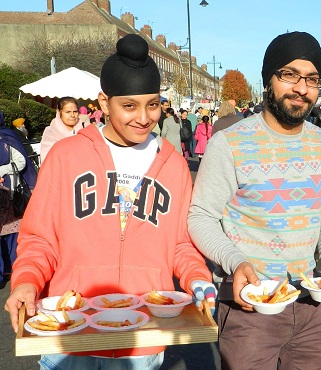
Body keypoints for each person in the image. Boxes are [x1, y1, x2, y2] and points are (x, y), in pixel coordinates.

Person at [4, 34, 216, 369]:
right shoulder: (65, 156)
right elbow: (40, 239)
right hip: (68, 332)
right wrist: (27, 282)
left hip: (143, 335)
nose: (144, 117)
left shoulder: (173, 164)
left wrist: (198, 279)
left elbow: (180, 244)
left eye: (153, 104)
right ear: (104, 103)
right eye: (129, 106)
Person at [188, 31, 321, 370]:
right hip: (250, 312)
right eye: (288, 74)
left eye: (311, 79)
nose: (301, 88)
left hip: (312, 313)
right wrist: (236, 262)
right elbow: (201, 216)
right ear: (268, 81)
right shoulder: (230, 143)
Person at [0, 112, 38, 289]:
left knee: (12, 229)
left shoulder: (7, 136)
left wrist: (1, 171)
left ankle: (12, 267)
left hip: (9, 189)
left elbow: (20, 161)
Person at [40, 96, 82, 163]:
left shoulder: (85, 130)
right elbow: (47, 161)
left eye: (75, 111)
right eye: (68, 112)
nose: (72, 115)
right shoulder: (51, 133)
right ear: (59, 112)